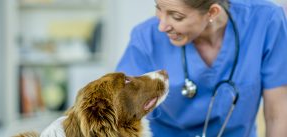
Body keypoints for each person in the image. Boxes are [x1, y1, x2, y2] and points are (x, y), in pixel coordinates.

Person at [115, 0, 287, 136]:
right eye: (158, 8)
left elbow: (277, 113)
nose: (162, 26)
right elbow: (121, 113)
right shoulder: (146, 38)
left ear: (212, 12)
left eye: (176, 16)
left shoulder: (265, 20)